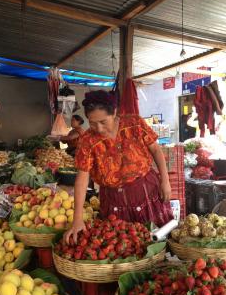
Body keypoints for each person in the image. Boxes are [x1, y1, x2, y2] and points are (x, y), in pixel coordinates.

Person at [65, 90, 173, 243]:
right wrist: (77, 219)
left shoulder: (134, 123)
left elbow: (156, 149)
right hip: (113, 199)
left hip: (146, 191)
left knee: (158, 238)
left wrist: (165, 180)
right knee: (124, 245)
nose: (99, 128)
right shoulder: (87, 140)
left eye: (103, 122)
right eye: (93, 123)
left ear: (114, 112)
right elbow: (82, 180)